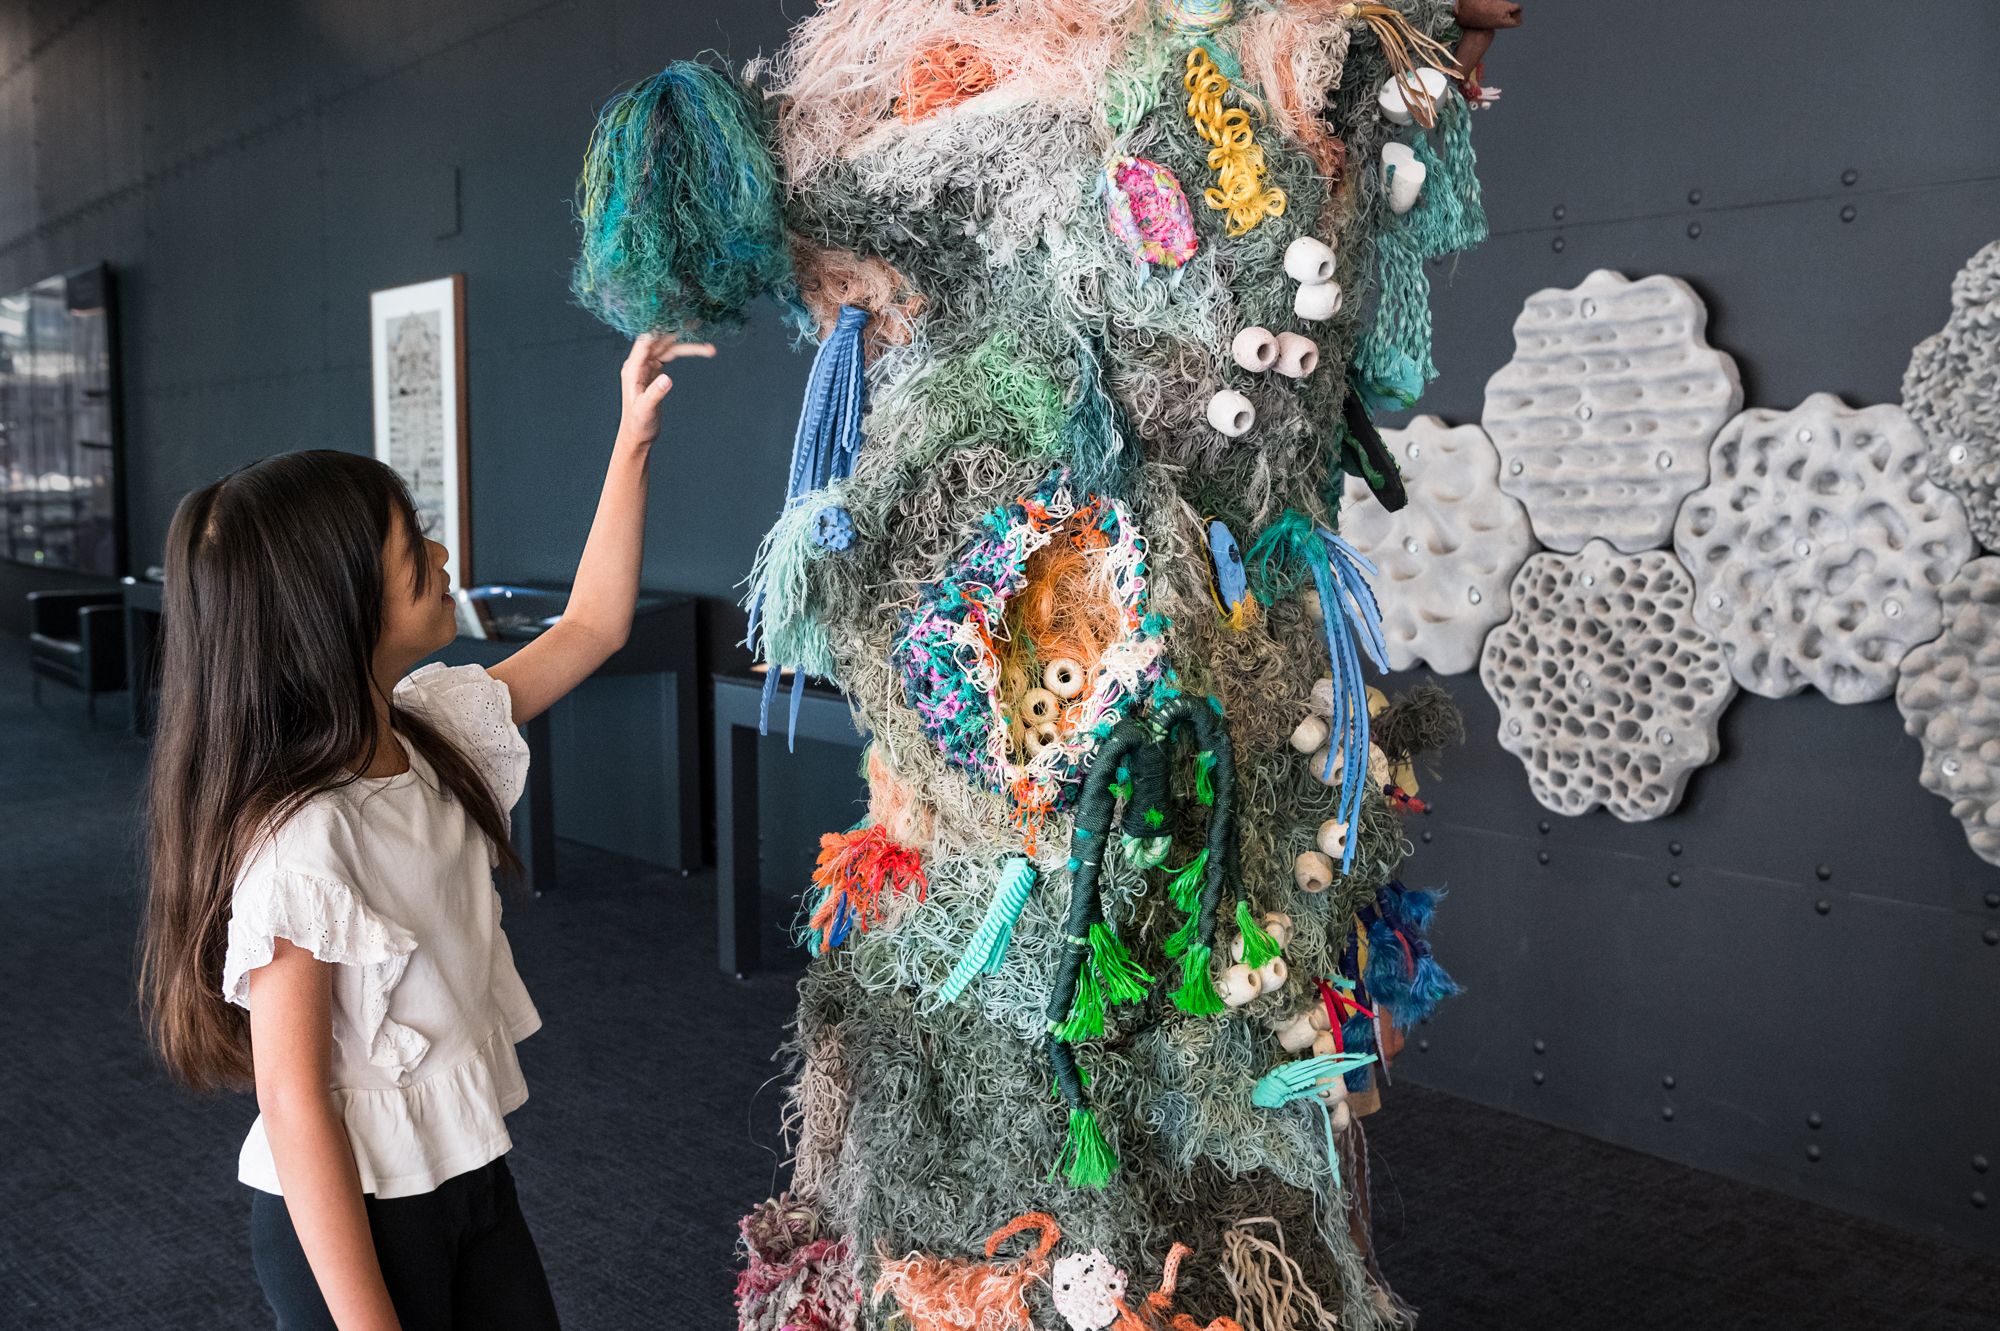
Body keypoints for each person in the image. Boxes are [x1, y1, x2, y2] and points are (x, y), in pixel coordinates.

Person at [138, 333, 714, 1330]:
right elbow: (298, 1106)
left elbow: (590, 627)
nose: (444, 556)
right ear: (340, 612)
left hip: (465, 1172)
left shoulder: (432, 727)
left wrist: (631, 440)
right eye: (417, 551)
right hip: (347, 1218)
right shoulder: (302, 843)